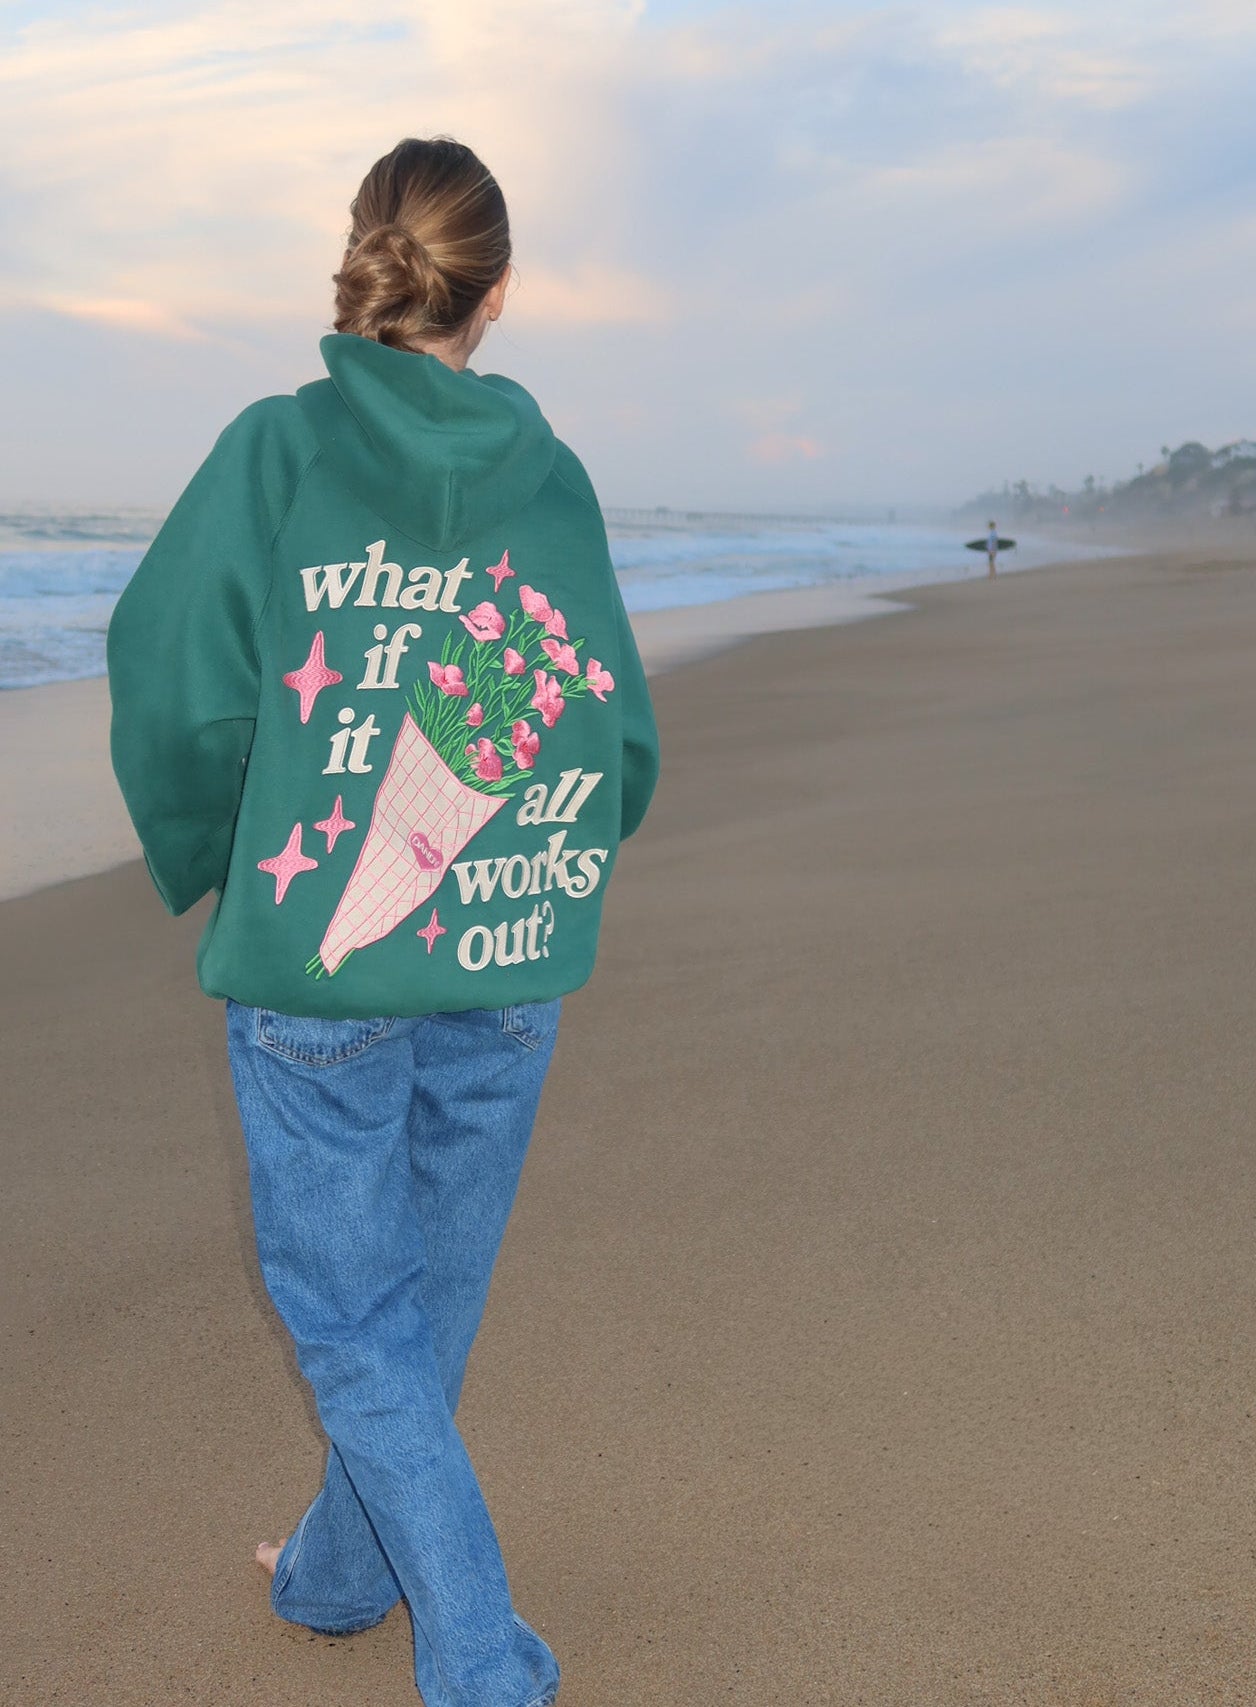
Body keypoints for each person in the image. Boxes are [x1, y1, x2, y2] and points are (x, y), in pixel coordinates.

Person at [107, 136, 659, 1707]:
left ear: (364, 260)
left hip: (319, 970)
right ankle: (342, 1579)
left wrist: (218, 852)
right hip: (502, 952)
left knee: (357, 1318)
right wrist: (560, 851)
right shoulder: (549, 474)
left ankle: (481, 1663)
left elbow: (176, 679)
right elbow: (612, 728)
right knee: (424, 1296)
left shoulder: (280, 449)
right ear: (497, 291)